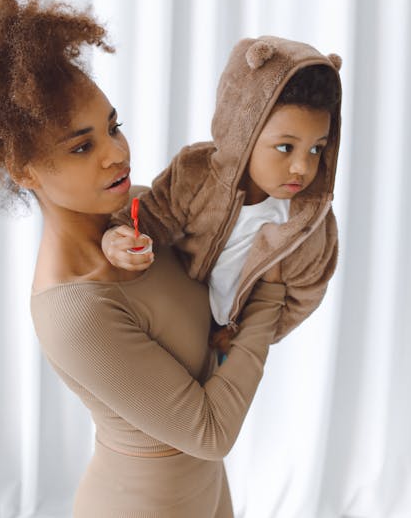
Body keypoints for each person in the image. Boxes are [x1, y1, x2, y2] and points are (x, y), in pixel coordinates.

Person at [0, 0, 288, 518]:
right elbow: (210, 431)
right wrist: (270, 297)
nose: (117, 152)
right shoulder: (74, 312)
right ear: (25, 171)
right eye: (82, 147)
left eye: (114, 125)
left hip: (209, 496)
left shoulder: (135, 214)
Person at [102, 36, 342, 354]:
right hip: (169, 314)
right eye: (285, 147)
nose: (302, 166)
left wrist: (245, 335)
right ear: (243, 130)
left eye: (316, 149)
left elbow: (304, 295)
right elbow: (152, 215)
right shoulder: (196, 173)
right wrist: (115, 237)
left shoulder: (308, 223)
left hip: (227, 342)